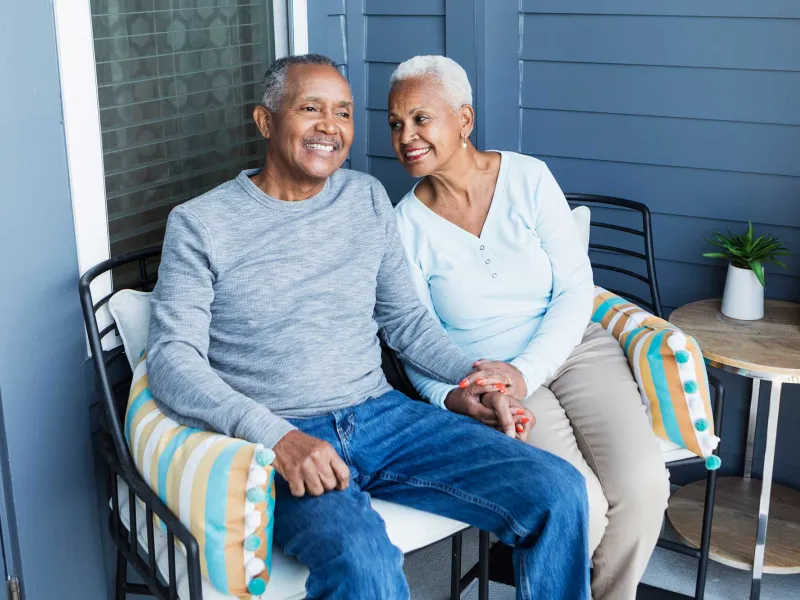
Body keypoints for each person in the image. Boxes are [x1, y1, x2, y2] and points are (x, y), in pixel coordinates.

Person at [147, 53, 589, 600]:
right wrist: (278, 438)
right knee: (365, 563)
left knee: (558, 490)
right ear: (265, 121)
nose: (330, 127)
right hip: (284, 433)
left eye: (345, 113)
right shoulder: (201, 224)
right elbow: (171, 360)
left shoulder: (365, 198)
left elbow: (404, 319)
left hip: (382, 415)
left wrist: (472, 381)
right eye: (310, 108)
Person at [390, 55, 671, 600]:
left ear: (464, 119)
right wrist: (452, 396)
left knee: (644, 487)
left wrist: (527, 370)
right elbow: (412, 341)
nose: (407, 136)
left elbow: (574, 288)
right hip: (490, 379)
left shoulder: (528, 177)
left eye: (421, 118)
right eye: (396, 123)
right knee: (576, 504)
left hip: (574, 349)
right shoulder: (404, 226)